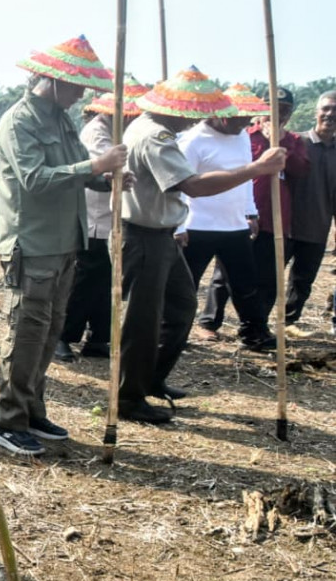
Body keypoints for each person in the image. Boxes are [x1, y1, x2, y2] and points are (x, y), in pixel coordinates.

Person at [119, 69, 285, 424]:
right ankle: (129, 397)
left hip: (161, 233)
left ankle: (150, 379)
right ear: (176, 109)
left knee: (179, 307)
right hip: (145, 235)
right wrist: (256, 168)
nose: (194, 118)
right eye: (190, 111)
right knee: (143, 319)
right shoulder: (155, 136)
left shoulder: (153, 129)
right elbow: (192, 186)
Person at [0, 35, 124, 457]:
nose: (83, 93)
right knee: (26, 334)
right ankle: (7, 421)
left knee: (50, 332)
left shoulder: (63, 120)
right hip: (32, 243)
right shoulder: (19, 120)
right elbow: (34, 178)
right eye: (78, 84)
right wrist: (94, 165)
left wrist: (103, 177)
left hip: (65, 242)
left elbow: (76, 171)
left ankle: (31, 409)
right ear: (52, 79)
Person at [201, 87, 309, 333]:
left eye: (285, 110)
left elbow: (300, 170)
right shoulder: (245, 136)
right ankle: (209, 322)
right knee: (225, 274)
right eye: (273, 108)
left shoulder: (293, 140)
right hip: (241, 215)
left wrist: (280, 141)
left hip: (275, 219)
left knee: (267, 278)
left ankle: (254, 328)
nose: (278, 114)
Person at [175, 86, 275, 353]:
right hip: (197, 226)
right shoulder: (193, 141)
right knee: (186, 286)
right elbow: (179, 186)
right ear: (220, 114)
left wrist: (250, 211)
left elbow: (246, 180)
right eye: (239, 117)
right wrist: (179, 225)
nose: (245, 123)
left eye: (247, 118)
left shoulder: (241, 137)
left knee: (245, 284)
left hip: (234, 225)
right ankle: (175, 334)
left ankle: (254, 333)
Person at [56, 86, 144, 362]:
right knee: (85, 282)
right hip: (94, 219)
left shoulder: (117, 132)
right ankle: (63, 336)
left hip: (111, 219)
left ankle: (98, 337)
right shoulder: (97, 131)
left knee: (106, 282)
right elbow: (102, 166)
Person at [282, 91, 336, 333]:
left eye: (335, 110)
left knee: (302, 282)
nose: (330, 114)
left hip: (317, 227)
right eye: (326, 109)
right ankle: (256, 326)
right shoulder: (296, 142)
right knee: (267, 278)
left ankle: (288, 323)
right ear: (316, 112)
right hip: (284, 226)